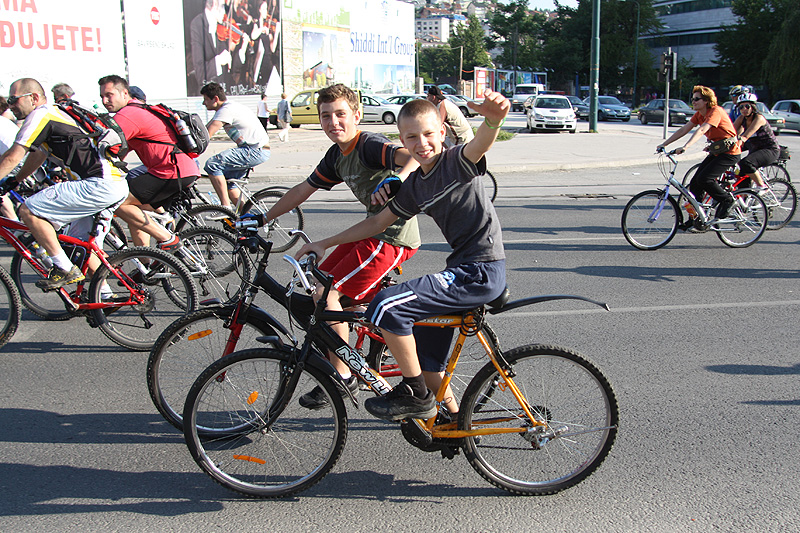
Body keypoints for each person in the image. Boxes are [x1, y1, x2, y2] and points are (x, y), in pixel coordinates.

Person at [295, 90, 509, 421]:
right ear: (403, 143)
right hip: (462, 269)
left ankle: (415, 396)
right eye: (412, 137)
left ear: (441, 131)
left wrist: (493, 118)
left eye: (428, 134)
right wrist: (324, 243)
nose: (421, 143)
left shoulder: (456, 162)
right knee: (424, 361)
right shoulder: (414, 187)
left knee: (385, 305)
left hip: (480, 271)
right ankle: (452, 422)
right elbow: (378, 222)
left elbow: (481, 142)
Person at [260, 83, 420, 409]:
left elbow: (414, 157)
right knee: (316, 289)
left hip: (391, 237)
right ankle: (360, 332)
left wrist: (397, 178)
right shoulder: (337, 156)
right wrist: (260, 218)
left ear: (356, 115)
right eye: (326, 116)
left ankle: (343, 374)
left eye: (341, 114)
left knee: (326, 293)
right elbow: (302, 190)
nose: (334, 122)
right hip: (369, 233)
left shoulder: (369, 145)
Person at [0, 78, 128, 291]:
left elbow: (14, 156)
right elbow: (39, 154)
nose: (10, 105)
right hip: (113, 184)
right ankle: (104, 295)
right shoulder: (58, 112)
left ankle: (64, 269)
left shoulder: (40, 114)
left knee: (28, 210)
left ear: (33, 98)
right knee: (76, 246)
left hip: (97, 184)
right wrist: (14, 180)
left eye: (14, 99)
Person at [98, 75, 199, 249]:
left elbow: (106, 147)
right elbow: (121, 151)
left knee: (117, 200)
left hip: (169, 171)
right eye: (102, 97)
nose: (105, 100)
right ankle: (146, 264)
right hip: (181, 169)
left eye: (109, 95)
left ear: (124, 93)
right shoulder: (139, 110)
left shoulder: (127, 115)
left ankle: (167, 239)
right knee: (135, 212)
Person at [658, 85, 740, 229]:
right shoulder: (699, 114)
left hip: (730, 153)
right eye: (692, 98)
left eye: (697, 99)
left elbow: (702, 130)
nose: (693, 101)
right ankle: (696, 219)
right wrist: (664, 144)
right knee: (695, 183)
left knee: (705, 179)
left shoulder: (716, 111)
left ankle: (727, 200)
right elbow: (684, 129)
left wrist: (685, 147)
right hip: (717, 152)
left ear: (707, 101)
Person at [200, 81, 270, 208]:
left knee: (212, 164)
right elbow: (204, 130)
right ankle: (246, 217)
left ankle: (225, 207)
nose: (203, 103)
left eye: (205, 99)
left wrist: (190, 151)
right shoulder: (229, 107)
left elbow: (208, 135)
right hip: (257, 150)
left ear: (215, 99)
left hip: (253, 150)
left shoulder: (226, 110)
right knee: (229, 185)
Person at [732, 93, 780, 193]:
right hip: (755, 148)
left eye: (747, 106)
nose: (744, 109)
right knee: (741, 174)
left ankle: (761, 186)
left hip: (770, 149)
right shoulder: (741, 118)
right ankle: (746, 199)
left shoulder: (759, 118)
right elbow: (730, 131)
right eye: (741, 107)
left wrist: (740, 140)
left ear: (753, 107)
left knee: (745, 163)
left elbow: (746, 136)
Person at [189, 0, 232, 89]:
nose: (225, 13)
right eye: (223, 7)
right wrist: (219, 61)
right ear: (215, 4)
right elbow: (200, 73)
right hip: (207, 94)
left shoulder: (220, 27)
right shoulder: (197, 24)